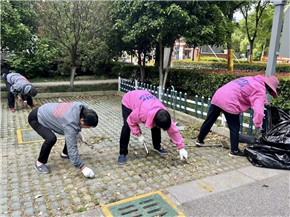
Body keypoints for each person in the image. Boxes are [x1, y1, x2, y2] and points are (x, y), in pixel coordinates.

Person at [196, 75, 279, 157]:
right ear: (269, 88)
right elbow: (258, 111)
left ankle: (200, 140)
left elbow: (253, 94)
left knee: (209, 120)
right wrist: (258, 125)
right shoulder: (260, 89)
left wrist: (265, 103)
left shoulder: (252, 79)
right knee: (234, 127)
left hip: (218, 96)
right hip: (230, 101)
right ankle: (234, 151)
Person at [28, 102, 98, 178]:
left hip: (46, 110)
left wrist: (78, 131)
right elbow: (72, 147)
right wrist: (83, 168)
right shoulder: (70, 123)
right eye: (89, 126)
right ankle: (39, 163)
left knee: (72, 134)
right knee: (51, 139)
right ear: (82, 120)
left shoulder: (82, 108)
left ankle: (64, 154)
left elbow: (73, 131)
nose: (88, 128)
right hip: (36, 118)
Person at [118, 90, 188, 164]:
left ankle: (157, 146)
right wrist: (138, 134)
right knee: (126, 126)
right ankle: (123, 153)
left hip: (143, 99)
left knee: (156, 126)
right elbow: (131, 120)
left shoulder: (164, 114)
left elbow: (173, 131)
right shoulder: (142, 113)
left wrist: (181, 148)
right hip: (129, 101)